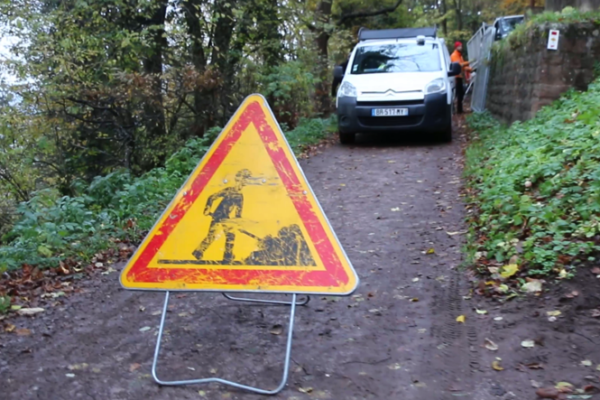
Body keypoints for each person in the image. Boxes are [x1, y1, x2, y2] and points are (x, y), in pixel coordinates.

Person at [192, 169, 251, 263]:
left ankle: (226, 257)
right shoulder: (228, 191)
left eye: (247, 179)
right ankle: (199, 252)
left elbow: (238, 213)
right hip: (218, 216)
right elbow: (211, 197)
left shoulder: (240, 196)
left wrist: (238, 223)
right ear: (239, 179)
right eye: (246, 179)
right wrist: (207, 208)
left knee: (229, 236)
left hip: (226, 218)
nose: (247, 181)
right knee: (213, 236)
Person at [450, 41, 472, 114]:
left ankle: (459, 109)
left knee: (460, 93)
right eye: (460, 46)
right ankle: (458, 110)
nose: (461, 48)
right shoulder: (454, 55)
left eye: (461, 46)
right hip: (456, 77)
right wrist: (468, 62)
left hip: (459, 76)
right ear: (456, 47)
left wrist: (470, 69)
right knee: (459, 93)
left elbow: (463, 67)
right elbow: (459, 65)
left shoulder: (459, 55)